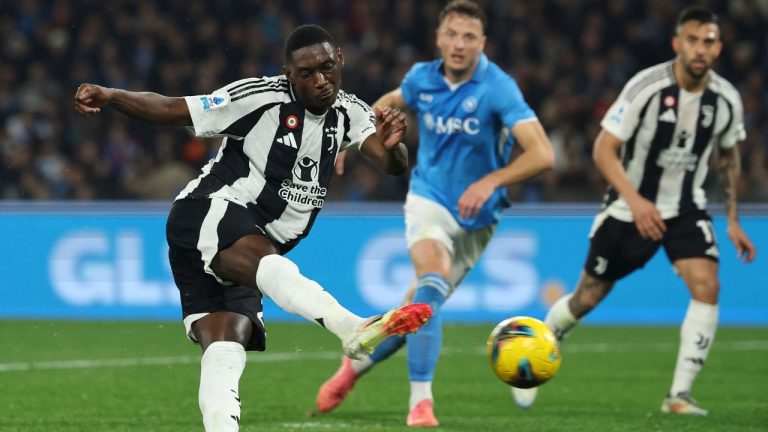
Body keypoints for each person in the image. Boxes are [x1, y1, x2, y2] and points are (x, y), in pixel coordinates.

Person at [74, 24, 433, 432]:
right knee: (267, 261)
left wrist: (393, 149)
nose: (320, 80)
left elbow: (390, 161)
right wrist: (111, 95)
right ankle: (350, 326)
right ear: (288, 74)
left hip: (247, 246)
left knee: (227, 344)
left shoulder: (350, 111)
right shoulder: (259, 97)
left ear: (340, 61)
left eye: (327, 68)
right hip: (209, 211)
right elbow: (174, 109)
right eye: (306, 73)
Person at [314, 1, 555, 427]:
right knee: (432, 280)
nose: (459, 44)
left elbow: (542, 154)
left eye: (469, 37)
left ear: (483, 43)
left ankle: (352, 369)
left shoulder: (498, 88)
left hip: (479, 217)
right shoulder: (422, 78)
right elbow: (386, 103)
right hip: (428, 198)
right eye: (452, 35)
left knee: (417, 305)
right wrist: (348, 139)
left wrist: (491, 181)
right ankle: (420, 404)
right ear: (439, 38)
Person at [511, 6, 757, 416]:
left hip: (685, 208)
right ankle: (542, 347)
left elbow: (730, 157)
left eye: (709, 41)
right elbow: (603, 149)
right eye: (693, 40)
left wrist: (732, 219)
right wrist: (637, 200)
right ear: (677, 43)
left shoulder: (726, 99)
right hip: (629, 207)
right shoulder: (646, 87)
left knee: (707, 286)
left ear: (719, 47)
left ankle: (679, 395)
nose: (700, 49)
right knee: (588, 296)